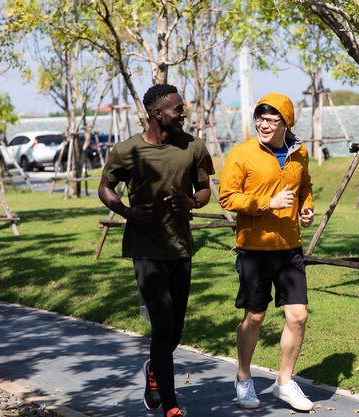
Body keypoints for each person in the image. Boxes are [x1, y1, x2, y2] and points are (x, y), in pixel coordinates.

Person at [98, 84, 214, 417]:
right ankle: (172, 406)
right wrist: (126, 212)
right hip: (145, 249)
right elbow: (106, 186)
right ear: (156, 113)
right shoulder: (126, 151)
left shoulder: (193, 147)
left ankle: (154, 370)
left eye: (183, 108)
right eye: (178, 109)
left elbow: (206, 189)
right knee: (162, 326)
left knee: (174, 330)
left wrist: (191, 201)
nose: (183, 113)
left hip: (180, 248)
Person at [219, 93, 315, 411]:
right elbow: (227, 197)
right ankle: (244, 378)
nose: (264, 124)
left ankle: (284, 382)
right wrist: (266, 204)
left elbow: (305, 189)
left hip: (290, 248)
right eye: (260, 118)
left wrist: (306, 209)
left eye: (272, 120)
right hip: (254, 249)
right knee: (255, 317)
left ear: (286, 123)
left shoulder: (299, 153)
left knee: (298, 317)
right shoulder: (241, 153)